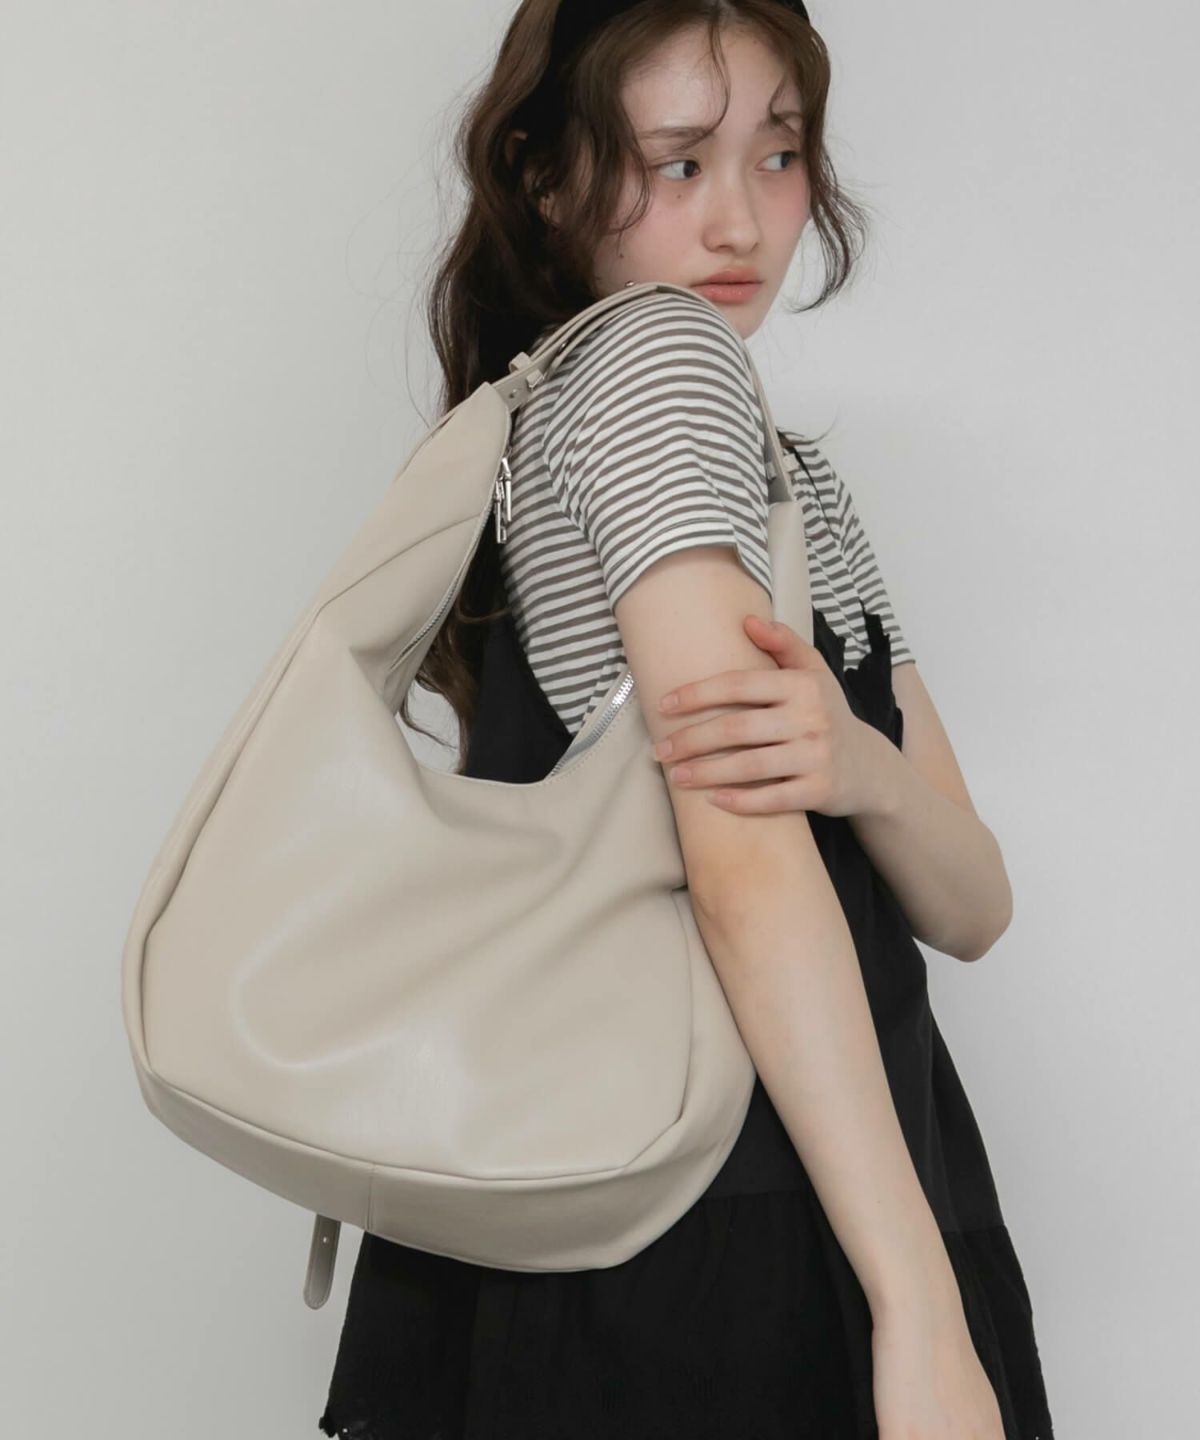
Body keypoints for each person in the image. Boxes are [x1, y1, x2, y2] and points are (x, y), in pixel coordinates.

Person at [318, 2, 1057, 1437]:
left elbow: (975, 905)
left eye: (777, 155)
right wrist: (916, 1307)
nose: (740, 221)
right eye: (677, 163)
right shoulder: (661, 365)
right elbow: (742, 868)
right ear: (546, 180)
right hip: (732, 1236)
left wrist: (860, 769)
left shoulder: (785, 473)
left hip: (703, 1196)